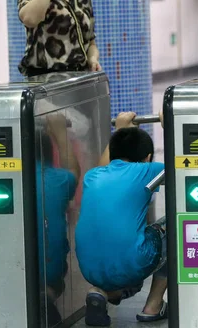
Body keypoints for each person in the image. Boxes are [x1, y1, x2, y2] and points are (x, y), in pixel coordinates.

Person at [75, 112, 167, 326]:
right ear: (148, 157)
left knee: (119, 260)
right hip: (131, 264)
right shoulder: (148, 171)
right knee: (177, 225)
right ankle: (153, 306)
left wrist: (120, 131)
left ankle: (100, 292)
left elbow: (107, 163)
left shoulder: (93, 176)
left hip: (89, 270)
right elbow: (184, 163)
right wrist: (170, 125)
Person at [35, 113, 80, 326]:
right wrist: (60, 133)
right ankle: (47, 294)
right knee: (55, 278)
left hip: (14, 266)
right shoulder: (59, 179)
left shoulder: (10, 182)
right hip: (50, 269)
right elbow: (73, 170)